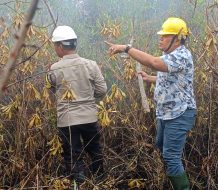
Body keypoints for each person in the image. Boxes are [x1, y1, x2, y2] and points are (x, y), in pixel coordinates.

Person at [105, 17, 196, 190]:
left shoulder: (181, 55)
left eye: (164, 36)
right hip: (166, 113)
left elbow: (154, 63)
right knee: (162, 148)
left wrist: (127, 48)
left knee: (171, 156)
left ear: (177, 39)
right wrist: (152, 79)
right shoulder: (170, 56)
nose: (160, 39)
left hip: (180, 113)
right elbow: (174, 79)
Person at [45, 25, 107, 183]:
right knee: (94, 149)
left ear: (60, 47)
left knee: (73, 154)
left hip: (67, 120)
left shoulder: (54, 69)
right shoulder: (91, 64)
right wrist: (87, 98)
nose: (54, 49)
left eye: (54, 46)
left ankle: (77, 183)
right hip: (89, 117)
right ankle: (100, 180)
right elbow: (101, 90)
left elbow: (51, 89)